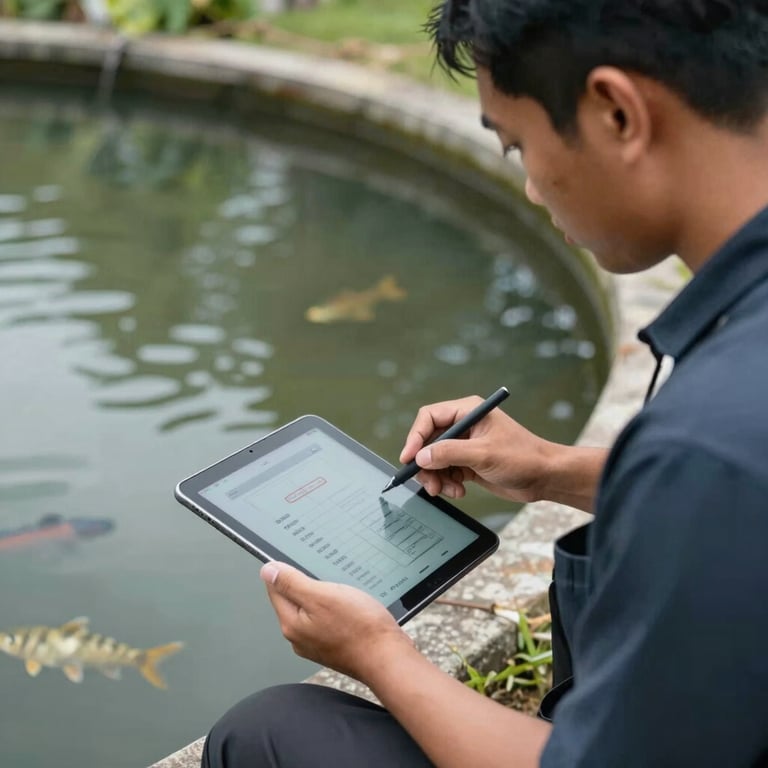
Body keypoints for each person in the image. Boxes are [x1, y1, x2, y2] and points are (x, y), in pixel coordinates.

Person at [202, 1, 768, 765]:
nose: (533, 189)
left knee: (267, 733)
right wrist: (553, 471)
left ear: (615, 113)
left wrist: (377, 653)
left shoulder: (711, 437)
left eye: (518, 145)